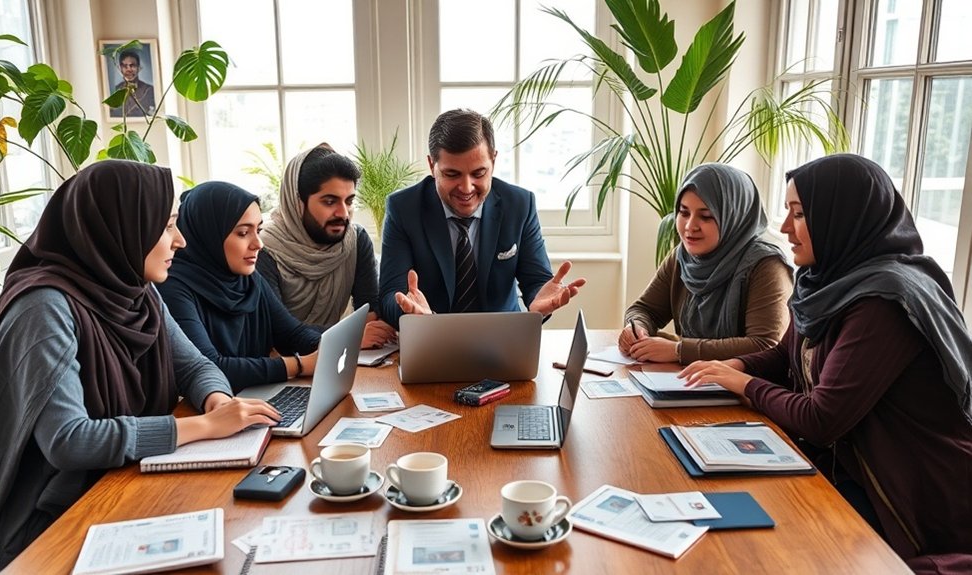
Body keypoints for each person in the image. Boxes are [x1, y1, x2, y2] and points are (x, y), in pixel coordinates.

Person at [0, 161, 280, 574]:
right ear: (120, 226)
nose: (179, 241)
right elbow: (70, 441)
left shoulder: (136, 290)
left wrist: (216, 400)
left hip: (119, 483)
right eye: (166, 227)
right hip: (47, 521)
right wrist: (205, 427)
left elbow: (194, 366)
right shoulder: (44, 308)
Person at [680, 154, 972, 571]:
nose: (784, 228)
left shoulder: (882, 302)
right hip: (849, 466)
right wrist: (737, 368)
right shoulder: (825, 280)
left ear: (841, 219)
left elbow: (822, 418)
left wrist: (742, 384)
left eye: (799, 214)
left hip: (909, 495)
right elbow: (785, 355)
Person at [378, 108, 585, 327]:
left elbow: (537, 283)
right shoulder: (403, 208)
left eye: (479, 173)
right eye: (452, 174)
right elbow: (390, 295)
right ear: (432, 165)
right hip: (430, 338)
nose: (466, 188)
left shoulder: (520, 205)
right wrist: (410, 311)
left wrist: (538, 302)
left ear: (493, 161)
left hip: (504, 340)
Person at [157, 181, 322, 393]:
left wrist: (324, 348)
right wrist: (299, 365)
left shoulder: (249, 279)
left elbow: (291, 333)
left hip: (251, 399)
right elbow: (210, 366)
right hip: (206, 410)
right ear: (210, 235)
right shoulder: (172, 288)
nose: (258, 244)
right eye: (243, 233)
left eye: (258, 230)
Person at [618, 163, 793, 364]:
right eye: (684, 213)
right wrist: (636, 328)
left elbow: (764, 345)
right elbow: (645, 309)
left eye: (706, 216)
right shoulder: (682, 257)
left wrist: (679, 350)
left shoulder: (766, 266)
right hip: (692, 382)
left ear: (732, 216)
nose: (690, 226)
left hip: (744, 390)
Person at [257, 144, 395, 349]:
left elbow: (369, 312)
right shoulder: (262, 248)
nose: (343, 214)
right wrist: (349, 336)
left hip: (335, 361)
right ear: (297, 202)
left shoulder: (355, 239)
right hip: (281, 367)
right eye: (330, 202)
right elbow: (277, 331)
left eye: (349, 201)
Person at [110, 49, 155, 118]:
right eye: (125, 66)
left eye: (132, 65)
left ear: (139, 68)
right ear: (120, 68)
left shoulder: (150, 90)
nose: (129, 69)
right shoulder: (115, 90)